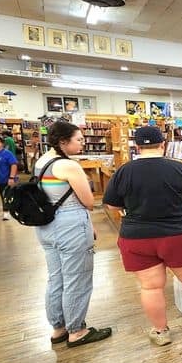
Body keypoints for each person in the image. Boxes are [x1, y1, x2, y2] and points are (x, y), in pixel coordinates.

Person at [104, 126, 182, 346]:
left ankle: (161, 331)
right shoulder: (180, 168)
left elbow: (112, 204)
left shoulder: (123, 171)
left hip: (137, 236)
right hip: (178, 233)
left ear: (137, 147)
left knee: (151, 287)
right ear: (163, 144)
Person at [33, 121, 112, 347]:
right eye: (78, 139)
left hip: (47, 226)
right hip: (70, 227)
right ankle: (77, 330)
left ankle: (58, 328)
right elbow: (88, 201)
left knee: (56, 278)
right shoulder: (69, 166)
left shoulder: (41, 161)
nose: (82, 142)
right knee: (77, 278)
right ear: (63, 142)